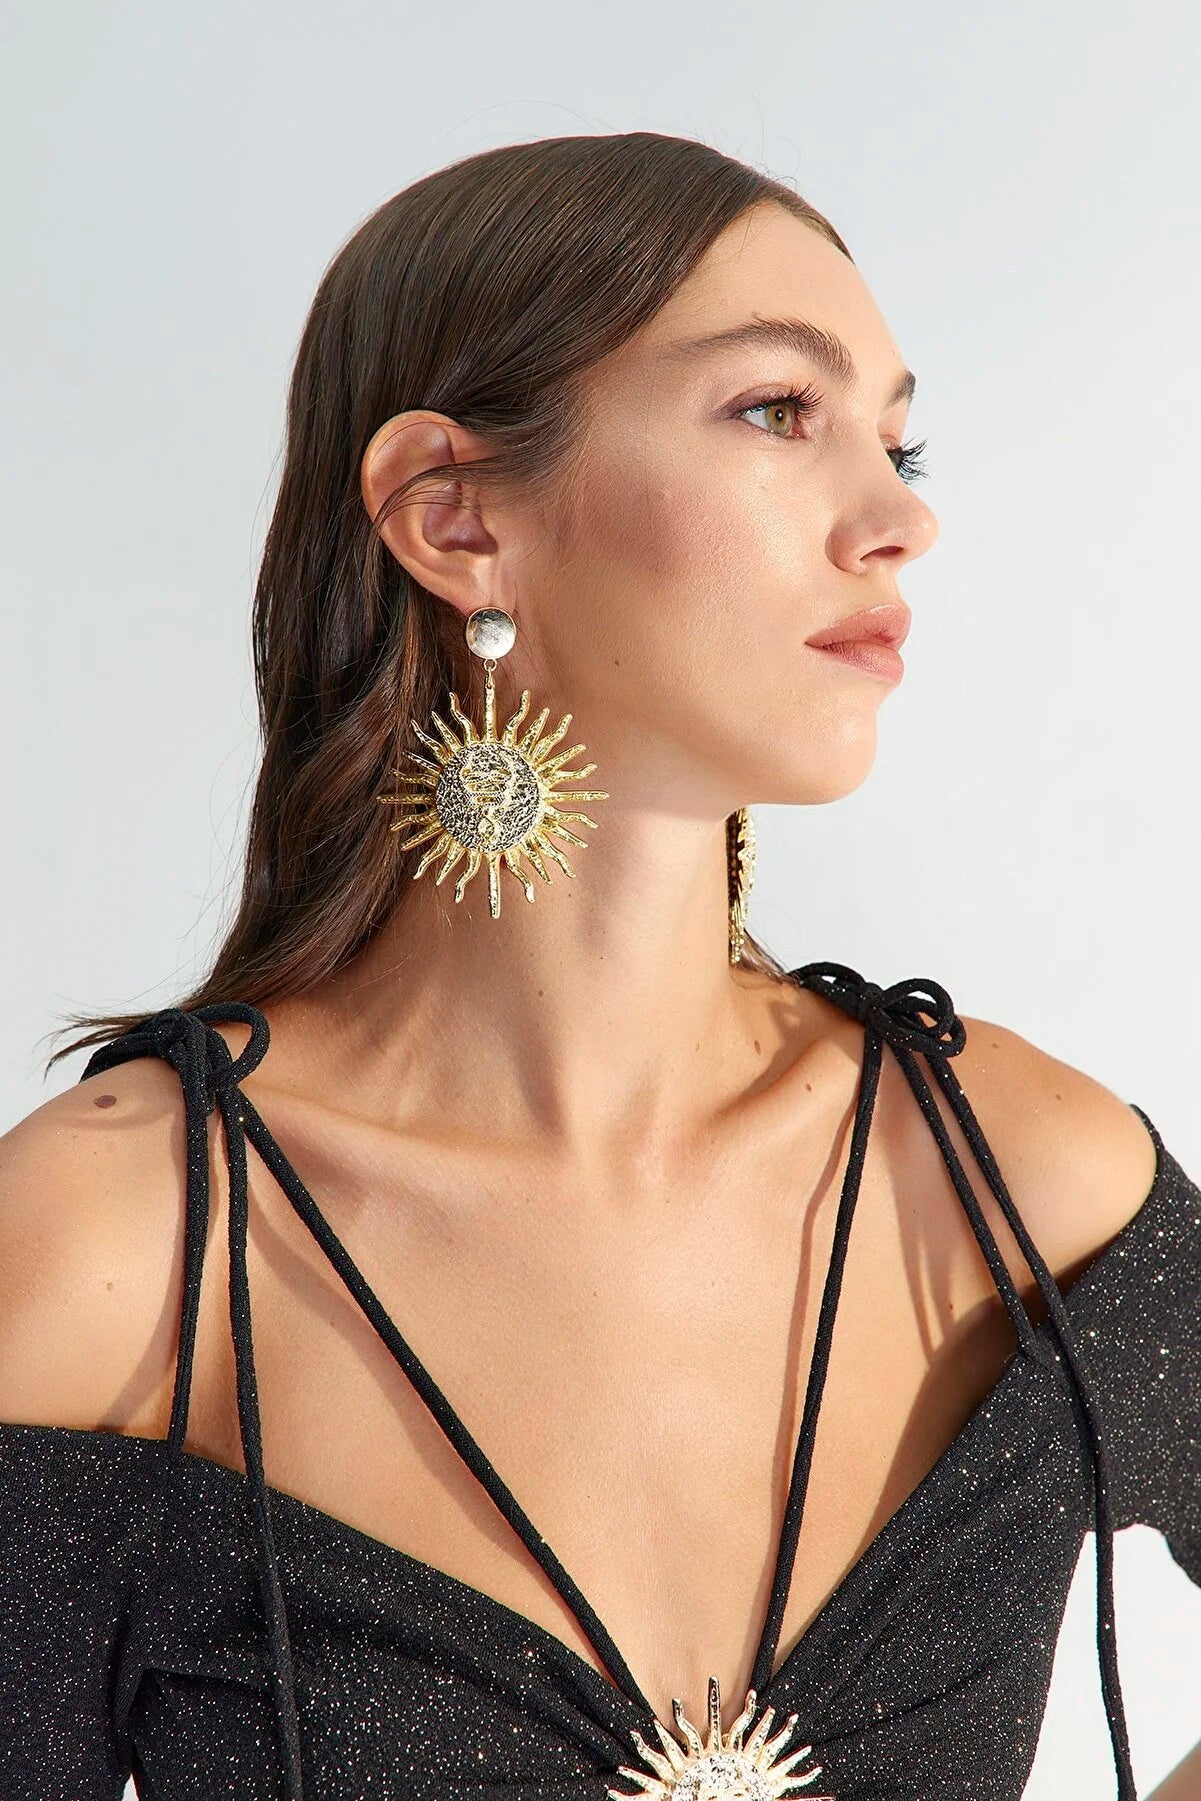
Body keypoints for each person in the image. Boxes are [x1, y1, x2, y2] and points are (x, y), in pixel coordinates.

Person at [0, 131, 1197, 1801]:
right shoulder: (114, 1255)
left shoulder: (1017, 1179)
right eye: (777, 410)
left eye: (897, 437)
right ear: (452, 517)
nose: (899, 517)